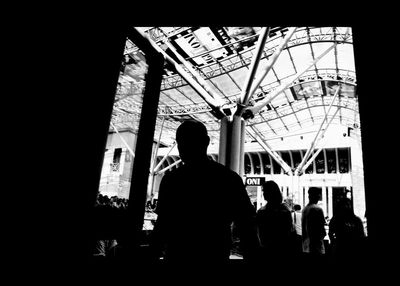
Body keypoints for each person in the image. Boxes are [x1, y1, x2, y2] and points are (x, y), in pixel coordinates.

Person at [149, 120, 259, 268]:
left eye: (184, 141)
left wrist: (151, 256)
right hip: (214, 257)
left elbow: (162, 226)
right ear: (206, 142)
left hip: (178, 257)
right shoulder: (228, 179)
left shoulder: (172, 180)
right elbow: (246, 227)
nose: (182, 146)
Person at [256, 180, 294, 263]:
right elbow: (288, 232)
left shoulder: (262, 212)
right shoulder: (285, 211)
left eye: (266, 191)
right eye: (263, 191)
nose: (264, 194)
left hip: (267, 250)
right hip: (282, 250)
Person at [328, 197, 366, 266]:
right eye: (344, 205)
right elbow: (330, 233)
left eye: (347, 205)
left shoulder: (356, 220)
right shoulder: (355, 220)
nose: (346, 207)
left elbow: (330, 233)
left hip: (348, 249)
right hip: (344, 249)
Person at [301, 187, 326, 264]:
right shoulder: (318, 209)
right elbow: (322, 228)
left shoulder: (305, 209)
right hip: (316, 245)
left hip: (306, 245)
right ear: (317, 196)